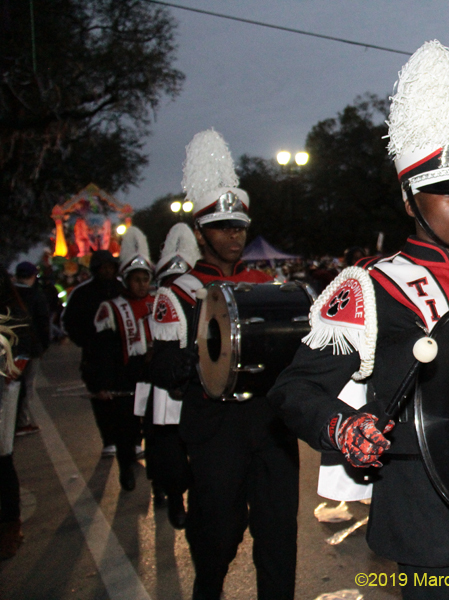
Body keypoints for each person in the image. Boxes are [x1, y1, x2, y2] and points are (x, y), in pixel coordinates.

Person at [269, 41, 449, 600]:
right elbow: (295, 391)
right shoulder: (368, 288)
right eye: (447, 191)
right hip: (437, 537)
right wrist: (346, 428)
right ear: (409, 199)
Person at [148, 129, 299, 600]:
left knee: (278, 538)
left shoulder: (266, 285)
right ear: (200, 232)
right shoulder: (177, 294)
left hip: (272, 425)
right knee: (216, 536)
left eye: (238, 226)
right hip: (216, 430)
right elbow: (167, 373)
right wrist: (207, 352)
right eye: (222, 227)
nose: (234, 235)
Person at [138, 223, 200, 527]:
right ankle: (171, 494)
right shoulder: (156, 303)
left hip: (195, 381)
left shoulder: (205, 299)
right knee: (165, 446)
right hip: (163, 386)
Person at [88, 227, 155, 491]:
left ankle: (160, 480)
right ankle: (126, 467)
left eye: (145, 279)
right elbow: (101, 352)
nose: (141, 284)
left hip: (153, 378)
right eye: (136, 279)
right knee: (125, 431)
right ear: (126, 281)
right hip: (124, 379)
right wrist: (102, 383)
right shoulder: (111, 308)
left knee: (155, 429)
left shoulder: (159, 303)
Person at [61, 250, 125, 457]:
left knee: (124, 398)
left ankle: (130, 439)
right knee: (101, 398)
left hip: (122, 354)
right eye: (103, 267)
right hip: (96, 356)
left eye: (110, 266)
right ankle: (109, 440)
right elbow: (70, 322)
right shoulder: (82, 294)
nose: (107, 270)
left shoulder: (122, 289)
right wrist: (87, 342)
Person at [0, 281, 26, 559]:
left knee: (2, 455)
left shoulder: (11, 308)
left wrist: (13, 367)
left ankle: (10, 523)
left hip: (4, 387)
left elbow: (25, 343)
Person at [12, 262, 49, 437]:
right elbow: (43, 323)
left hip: (10, 347)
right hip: (30, 348)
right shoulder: (36, 296)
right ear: (33, 276)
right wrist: (44, 346)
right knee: (26, 386)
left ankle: (8, 421)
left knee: (10, 385)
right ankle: (21, 422)